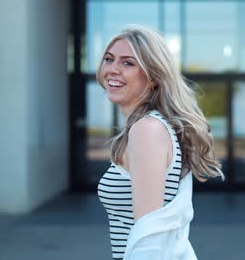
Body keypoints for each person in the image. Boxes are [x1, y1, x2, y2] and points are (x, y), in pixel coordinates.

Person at [96, 25, 225, 260]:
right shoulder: (149, 127)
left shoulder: (147, 129)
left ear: (154, 77)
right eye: (109, 59)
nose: (113, 69)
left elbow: (149, 237)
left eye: (128, 63)